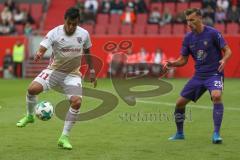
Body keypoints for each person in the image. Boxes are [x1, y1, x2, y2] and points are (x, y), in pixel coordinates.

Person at [16, 7, 97, 150]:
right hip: (54, 71)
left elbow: (87, 52)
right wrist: (40, 53)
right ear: (65, 20)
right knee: (32, 89)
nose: (71, 27)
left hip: (73, 75)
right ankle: (30, 116)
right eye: (69, 23)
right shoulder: (55, 32)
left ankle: (64, 137)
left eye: (74, 24)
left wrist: (91, 70)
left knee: (76, 102)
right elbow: (43, 46)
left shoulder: (84, 34)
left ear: (78, 22)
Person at [166, 8, 232, 144]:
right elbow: (183, 60)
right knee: (179, 103)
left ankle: (216, 134)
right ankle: (179, 133)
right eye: (187, 21)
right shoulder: (188, 38)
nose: (189, 23)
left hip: (214, 73)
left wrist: (224, 59)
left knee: (216, 96)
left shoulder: (213, 33)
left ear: (200, 18)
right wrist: (173, 64)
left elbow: (228, 50)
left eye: (192, 20)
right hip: (198, 76)